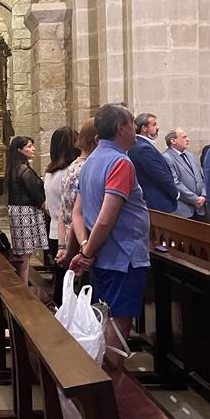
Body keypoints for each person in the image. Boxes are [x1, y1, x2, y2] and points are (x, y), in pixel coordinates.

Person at [69, 104, 150, 366]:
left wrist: (84, 248)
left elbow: (77, 214)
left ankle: (103, 382)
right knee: (117, 325)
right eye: (131, 124)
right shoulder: (120, 162)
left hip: (104, 257)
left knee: (105, 319)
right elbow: (105, 219)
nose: (135, 129)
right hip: (122, 257)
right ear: (120, 128)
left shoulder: (90, 161)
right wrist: (86, 252)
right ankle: (113, 391)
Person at [55, 118, 98, 276]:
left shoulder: (73, 165)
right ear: (97, 140)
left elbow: (62, 210)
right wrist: (74, 250)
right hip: (80, 244)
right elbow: (77, 214)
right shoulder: (86, 168)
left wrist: (62, 246)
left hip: (71, 241)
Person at [6, 136, 49, 293]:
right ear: (20, 150)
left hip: (19, 212)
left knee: (24, 253)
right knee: (25, 255)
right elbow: (36, 192)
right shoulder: (23, 169)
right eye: (29, 146)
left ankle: (23, 288)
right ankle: (23, 292)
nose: (33, 149)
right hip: (25, 212)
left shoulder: (15, 167)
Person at [43, 126, 79, 294]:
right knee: (70, 285)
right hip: (69, 235)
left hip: (54, 231)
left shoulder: (50, 173)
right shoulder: (70, 172)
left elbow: (49, 208)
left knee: (61, 280)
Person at [127, 113, 178, 212]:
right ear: (144, 128)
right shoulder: (143, 148)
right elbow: (159, 175)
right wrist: (175, 193)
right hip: (156, 202)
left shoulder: (140, 144)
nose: (157, 127)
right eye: (154, 124)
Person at [162, 128, 206, 219]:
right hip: (183, 209)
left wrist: (204, 195)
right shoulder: (167, 157)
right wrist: (195, 199)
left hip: (200, 207)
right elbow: (175, 183)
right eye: (184, 137)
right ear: (173, 141)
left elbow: (201, 178)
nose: (188, 139)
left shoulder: (190, 155)